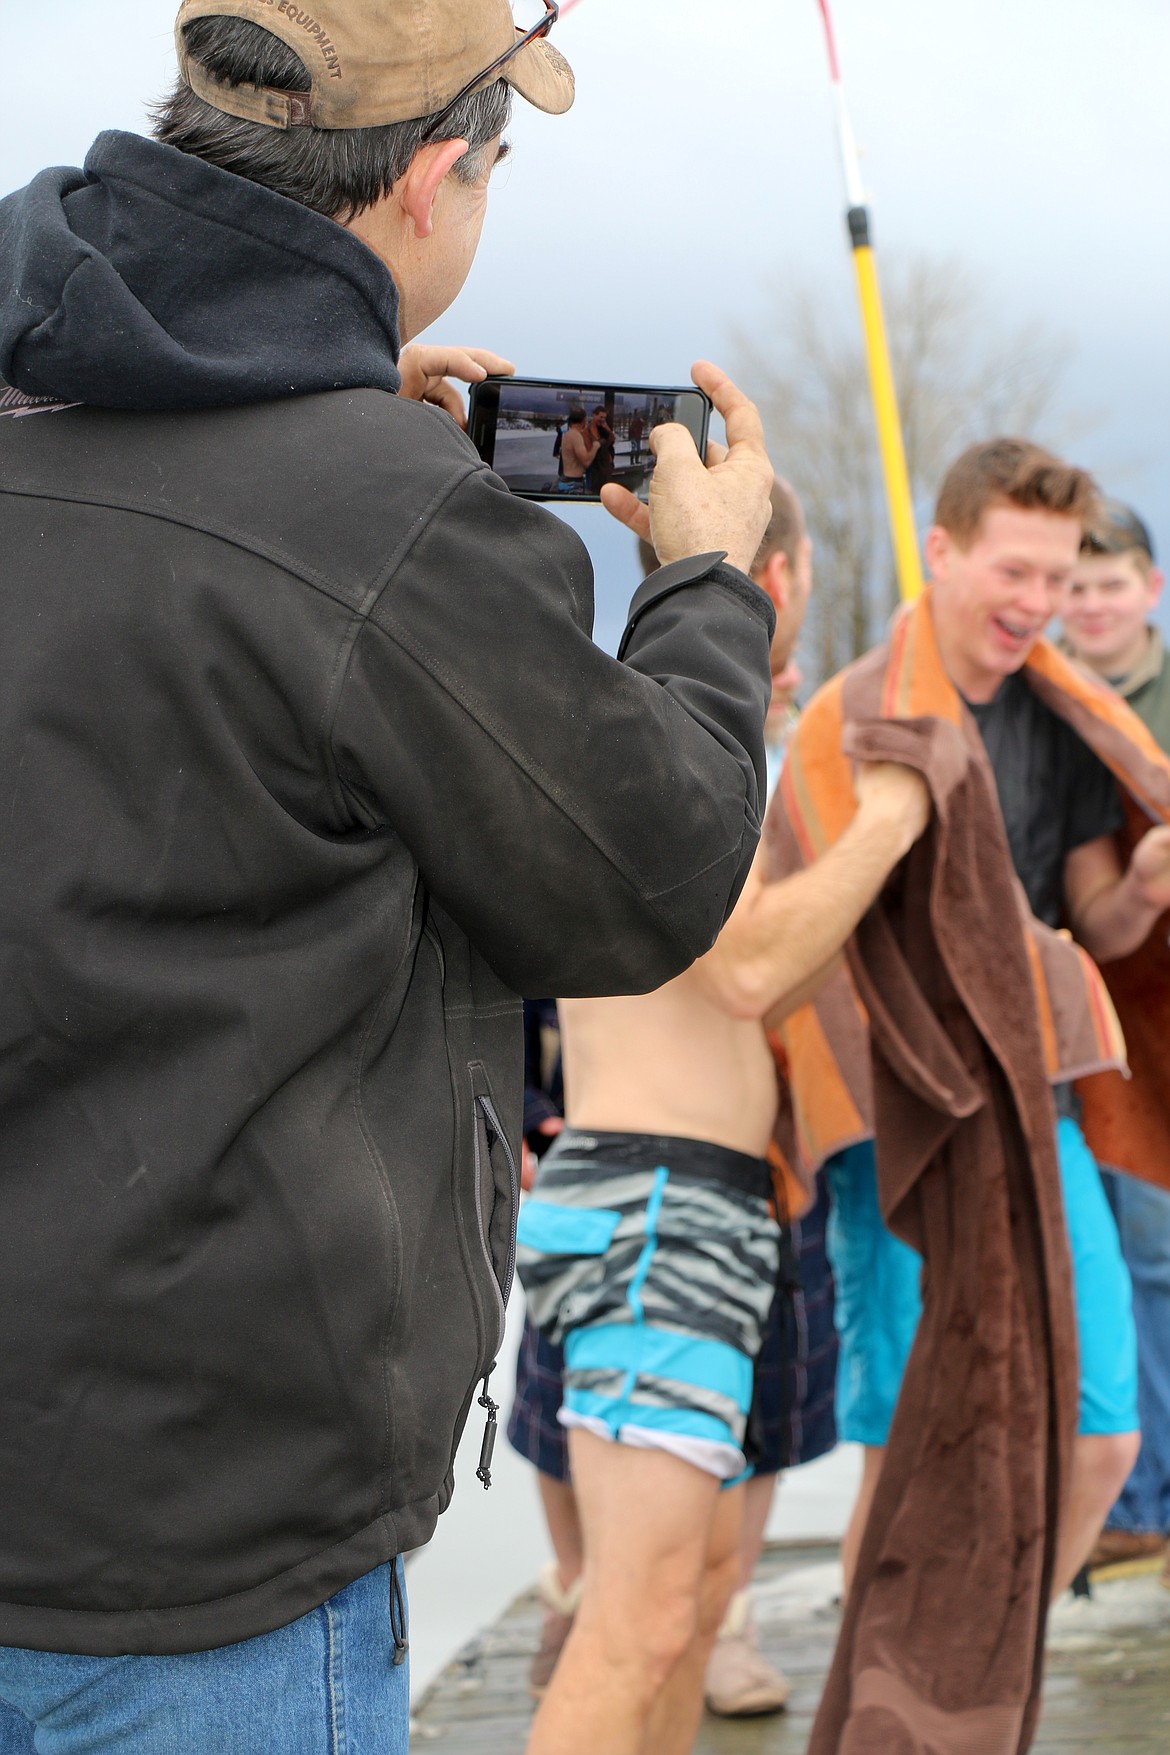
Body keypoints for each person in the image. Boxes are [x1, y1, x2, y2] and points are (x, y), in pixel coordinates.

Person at [0, 2, 783, 1748]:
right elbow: (643, 880)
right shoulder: (382, 517)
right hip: (203, 1539)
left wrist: (353, 434)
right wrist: (707, 589)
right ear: (437, 175)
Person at [516, 480, 932, 1755]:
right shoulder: (651, 739)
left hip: (701, 1201)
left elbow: (757, 985)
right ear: (760, 573)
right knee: (633, 1621)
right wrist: (891, 821)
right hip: (656, 1204)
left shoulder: (683, 740)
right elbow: (748, 966)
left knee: (693, 1604)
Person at [811, 443, 1170, 1601]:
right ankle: (885, 1686)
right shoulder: (853, 716)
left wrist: (1150, 889)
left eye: (1058, 582)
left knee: (1103, 1434)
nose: (1038, 607)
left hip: (1043, 1108)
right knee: (911, 1455)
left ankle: (982, 1658)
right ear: (943, 551)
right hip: (902, 1124)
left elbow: (1097, 922)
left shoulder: (1063, 718)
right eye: (1015, 573)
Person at [1061, 500, 1170, 1577]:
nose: (1092, 605)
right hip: (1095, 1027)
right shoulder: (1048, 701)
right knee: (1131, 1253)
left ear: (1151, 587)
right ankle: (1137, 1498)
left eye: (1111, 584)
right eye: (1075, 587)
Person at [558, 405, 599, 487]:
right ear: (584, 420)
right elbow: (586, 462)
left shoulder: (567, 434)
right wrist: (595, 446)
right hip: (573, 482)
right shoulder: (576, 436)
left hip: (567, 477)